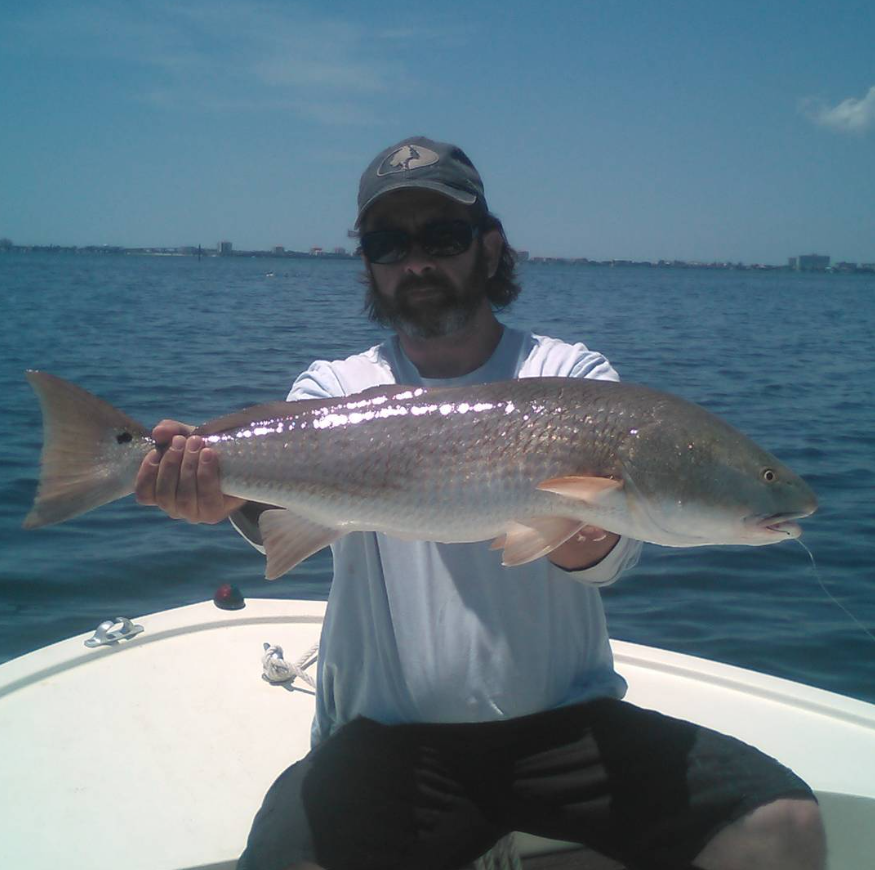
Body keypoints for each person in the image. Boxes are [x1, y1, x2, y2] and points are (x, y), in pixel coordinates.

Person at [135, 137, 826, 870]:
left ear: (489, 248)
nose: (417, 262)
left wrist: (577, 521)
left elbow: (604, 558)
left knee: (780, 823)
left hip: (567, 726)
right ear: (368, 263)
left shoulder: (571, 375)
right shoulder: (334, 390)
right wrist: (212, 494)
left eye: (442, 236)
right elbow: (281, 514)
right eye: (388, 243)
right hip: (385, 737)